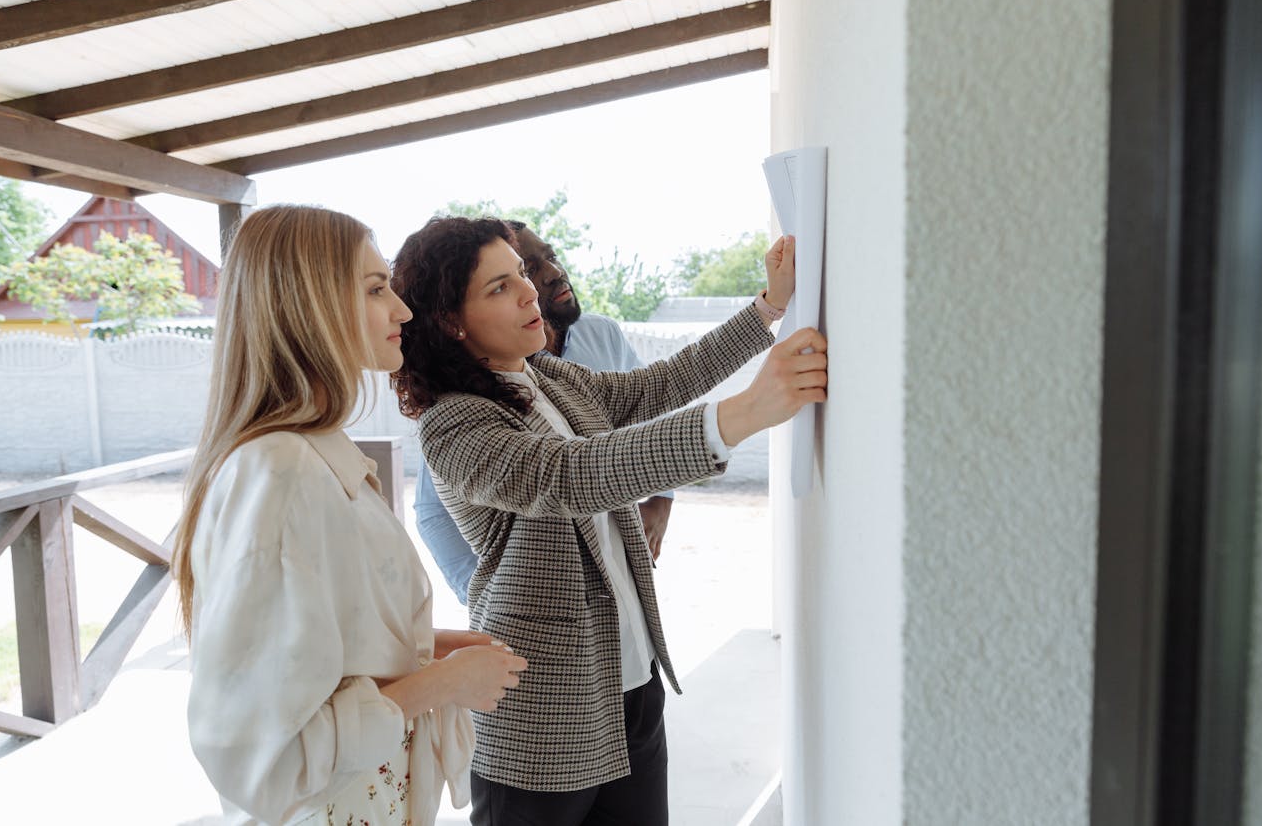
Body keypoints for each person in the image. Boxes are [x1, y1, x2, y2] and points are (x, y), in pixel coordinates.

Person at [389, 216, 826, 825]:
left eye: (520, 274)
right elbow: (571, 475)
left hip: (630, 679)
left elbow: (656, 386)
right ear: (449, 321)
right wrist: (747, 410)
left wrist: (769, 307)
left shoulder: (544, 376)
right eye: (498, 287)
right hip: (542, 711)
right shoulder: (453, 423)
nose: (528, 291)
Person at [171, 205, 528, 826]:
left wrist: (429, 649)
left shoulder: (310, 455)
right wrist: (442, 684)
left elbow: (317, 653)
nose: (402, 310)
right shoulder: (278, 472)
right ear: (306, 306)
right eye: (374, 289)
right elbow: (266, 754)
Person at [414, 221, 673, 604]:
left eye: (532, 266)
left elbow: (650, 398)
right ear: (456, 320)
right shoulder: (456, 414)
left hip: (619, 588)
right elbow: (575, 473)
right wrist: (492, 602)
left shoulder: (588, 344)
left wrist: (661, 497)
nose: (546, 277)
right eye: (508, 281)